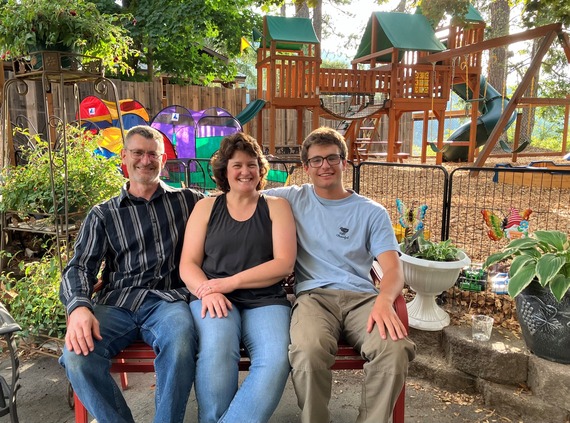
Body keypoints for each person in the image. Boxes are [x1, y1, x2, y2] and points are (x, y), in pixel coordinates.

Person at [264, 127, 417, 423]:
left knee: (394, 350)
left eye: (333, 158)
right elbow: (242, 194)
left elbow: (393, 268)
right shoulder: (290, 199)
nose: (325, 166)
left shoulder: (371, 212)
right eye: (317, 160)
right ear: (305, 167)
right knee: (307, 351)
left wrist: (385, 300)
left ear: (344, 163)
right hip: (314, 298)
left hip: (363, 299)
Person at [59, 125, 204, 423]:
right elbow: (79, 266)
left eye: (153, 154)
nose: (145, 160)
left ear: (163, 160)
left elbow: (235, 205)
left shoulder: (189, 202)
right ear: (124, 157)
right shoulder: (104, 213)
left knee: (180, 343)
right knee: (77, 357)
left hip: (167, 300)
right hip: (117, 304)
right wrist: (78, 307)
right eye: (138, 153)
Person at [179, 132, 296, 423]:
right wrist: (209, 292)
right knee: (217, 350)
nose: (246, 171)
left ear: (260, 169)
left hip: (265, 299)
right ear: (224, 171)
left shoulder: (276, 207)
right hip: (213, 298)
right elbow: (188, 264)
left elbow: (284, 263)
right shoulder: (206, 207)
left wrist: (229, 283)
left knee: (276, 360)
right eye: (237, 165)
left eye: (252, 164)